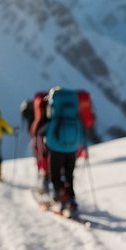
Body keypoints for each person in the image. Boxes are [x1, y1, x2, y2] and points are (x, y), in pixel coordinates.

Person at [44, 87, 88, 216]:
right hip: (72, 147)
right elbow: (82, 132)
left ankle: (61, 199)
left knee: (55, 175)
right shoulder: (75, 117)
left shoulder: (55, 116)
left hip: (56, 147)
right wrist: (83, 147)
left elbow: (45, 131)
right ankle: (71, 200)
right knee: (69, 174)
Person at [28, 91, 52, 196]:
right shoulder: (52, 108)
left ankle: (45, 189)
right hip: (53, 137)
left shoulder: (39, 118)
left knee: (43, 161)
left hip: (40, 137)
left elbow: (34, 130)